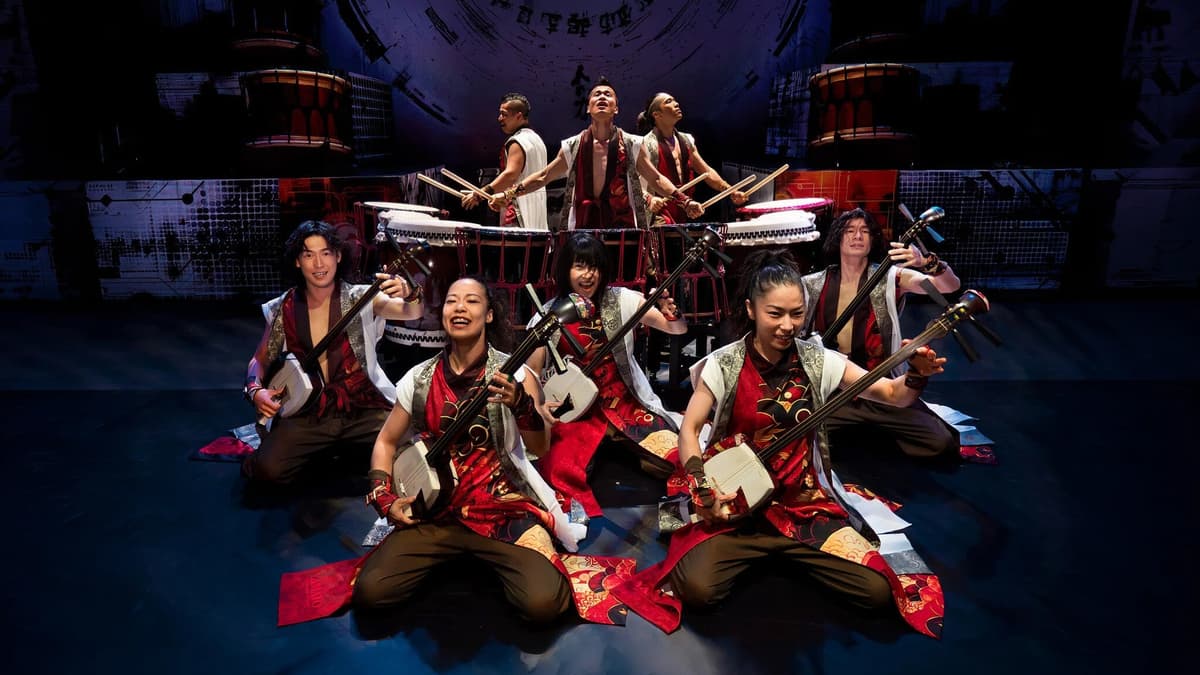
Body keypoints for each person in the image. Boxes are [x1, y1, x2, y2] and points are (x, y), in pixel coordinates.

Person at [613, 248, 947, 638]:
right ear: (751, 310)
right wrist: (701, 484)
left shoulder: (818, 360)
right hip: (736, 505)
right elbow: (689, 430)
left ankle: (790, 550)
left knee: (876, 592)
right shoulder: (725, 363)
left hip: (802, 505)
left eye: (796, 314)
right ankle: (775, 553)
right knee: (698, 590)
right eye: (775, 314)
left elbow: (892, 394)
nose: (788, 325)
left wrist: (916, 376)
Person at [351, 276, 586, 623]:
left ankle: (477, 559)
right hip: (436, 511)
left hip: (503, 510)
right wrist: (383, 496)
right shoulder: (419, 378)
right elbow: (386, 441)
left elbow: (540, 447)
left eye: (472, 301)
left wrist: (521, 405)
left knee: (544, 603)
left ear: (489, 315)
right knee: (371, 593)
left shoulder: (517, 375)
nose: (460, 308)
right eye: (452, 301)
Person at [242, 220, 423, 488]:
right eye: (308, 255)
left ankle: (340, 450)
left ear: (338, 256)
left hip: (364, 407)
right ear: (297, 262)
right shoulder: (284, 307)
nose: (319, 264)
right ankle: (332, 450)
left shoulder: (362, 297)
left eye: (326, 253)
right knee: (267, 470)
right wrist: (255, 390)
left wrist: (410, 293)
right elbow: (260, 359)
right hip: (310, 412)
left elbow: (413, 312)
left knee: (412, 450)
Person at [526, 232, 688, 517]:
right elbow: (530, 372)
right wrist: (539, 407)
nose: (588, 275)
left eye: (595, 267)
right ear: (565, 270)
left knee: (678, 456)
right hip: (576, 412)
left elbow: (676, 330)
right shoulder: (549, 315)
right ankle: (574, 526)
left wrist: (670, 312)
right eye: (579, 266)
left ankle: (676, 519)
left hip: (628, 406)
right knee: (558, 470)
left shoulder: (622, 300)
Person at [801, 207, 965, 459]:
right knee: (799, 435)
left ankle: (868, 429)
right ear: (838, 237)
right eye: (850, 230)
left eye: (865, 231)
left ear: (873, 239)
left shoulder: (890, 277)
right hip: (836, 388)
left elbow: (949, 286)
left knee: (941, 443)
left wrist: (927, 263)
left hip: (882, 386)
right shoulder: (813, 283)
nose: (857, 236)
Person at [490, 77, 704, 232]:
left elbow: (655, 178)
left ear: (616, 108)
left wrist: (685, 201)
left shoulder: (632, 144)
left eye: (608, 95)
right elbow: (543, 176)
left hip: (622, 229)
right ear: (588, 108)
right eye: (596, 94)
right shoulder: (573, 145)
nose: (602, 96)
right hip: (584, 229)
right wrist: (508, 195)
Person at [635, 91, 747, 224]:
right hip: (659, 212)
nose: (676, 104)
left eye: (674, 100)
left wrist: (730, 191)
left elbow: (706, 171)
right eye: (668, 102)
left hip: (684, 206)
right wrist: (649, 199)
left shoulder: (686, 140)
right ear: (657, 115)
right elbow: (636, 182)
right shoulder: (645, 144)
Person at [461, 93, 548, 229]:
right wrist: (501, 197)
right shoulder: (538, 141)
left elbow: (511, 175)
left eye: (504, 114)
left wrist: (480, 194)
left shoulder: (517, 141)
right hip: (537, 213)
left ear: (518, 116)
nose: (499, 118)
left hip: (518, 213)